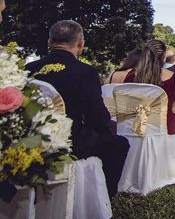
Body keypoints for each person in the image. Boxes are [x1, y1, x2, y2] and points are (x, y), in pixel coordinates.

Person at [25, 20, 129, 198]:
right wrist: (109, 127)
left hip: (30, 138)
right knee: (119, 144)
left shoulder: (29, 69)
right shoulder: (85, 72)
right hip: (71, 141)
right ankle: (103, 198)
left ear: (50, 42)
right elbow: (96, 116)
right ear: (80, 44)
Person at [123, 39, 175, 134]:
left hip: (134, 126)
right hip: (164, 127)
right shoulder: (174, 78)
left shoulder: (131, 76)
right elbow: (174, 106)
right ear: (163, 57)